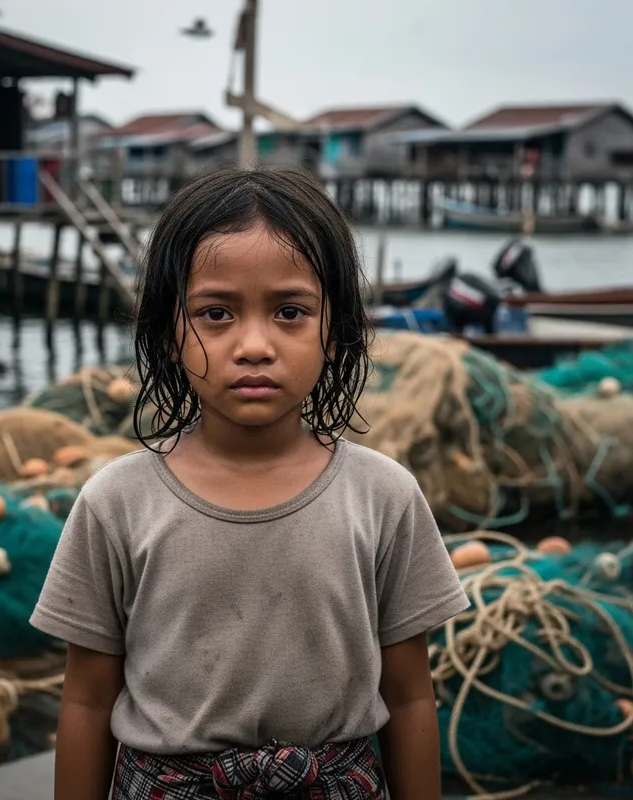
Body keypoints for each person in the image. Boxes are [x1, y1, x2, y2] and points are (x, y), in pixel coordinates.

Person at [30, 164, 470, 800]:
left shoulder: (384, 497)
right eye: (216, 313)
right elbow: (87, 703)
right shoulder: (116, 503)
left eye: (290, 311)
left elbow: (408, 698)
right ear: (169, 331)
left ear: (336, 330)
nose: (255, 344)